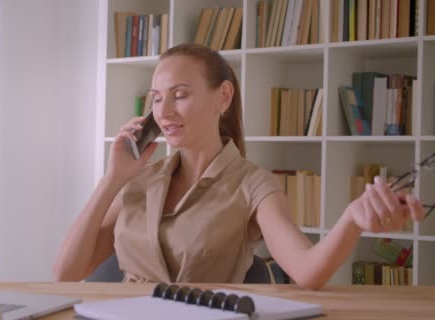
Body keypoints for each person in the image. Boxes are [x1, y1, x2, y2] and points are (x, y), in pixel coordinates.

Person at [52, 44, 425, 289]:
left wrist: (353, 220)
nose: (163, 113)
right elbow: (66, 274)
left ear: (223, 96)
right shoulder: (139, 181)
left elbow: (308, 271)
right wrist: (112, 179)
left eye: (180, 95)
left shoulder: (253, 186)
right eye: (157, 99)